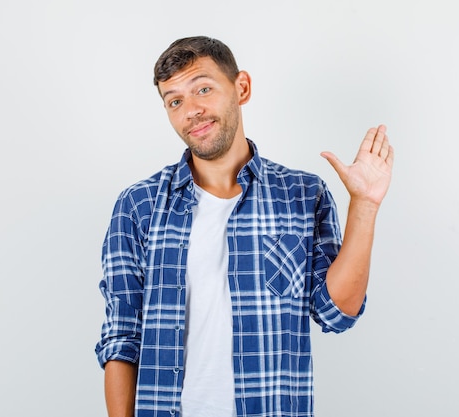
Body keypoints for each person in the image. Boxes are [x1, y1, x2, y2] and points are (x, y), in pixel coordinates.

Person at [95, 36, 394, 417]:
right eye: (175, 101)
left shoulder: (303, 195)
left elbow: (338, 313)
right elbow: (122, 337)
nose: (191, 111)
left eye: (203, 88)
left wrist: (364, 205)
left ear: (242, 88)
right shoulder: (138, 206)